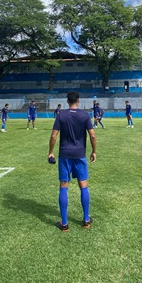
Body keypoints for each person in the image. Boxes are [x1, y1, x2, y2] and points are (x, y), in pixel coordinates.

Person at [48, 91, 97, 231]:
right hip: (80, 154)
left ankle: (64, 223)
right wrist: (94, 151)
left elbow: (53, 136)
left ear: (67, 101)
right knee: (83, 185)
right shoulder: (85, 115)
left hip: (64, 155)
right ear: (78, 101)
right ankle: (86, 219)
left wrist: (50, 152)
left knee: (64, 186)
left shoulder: (61, 115)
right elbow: (92, 136)